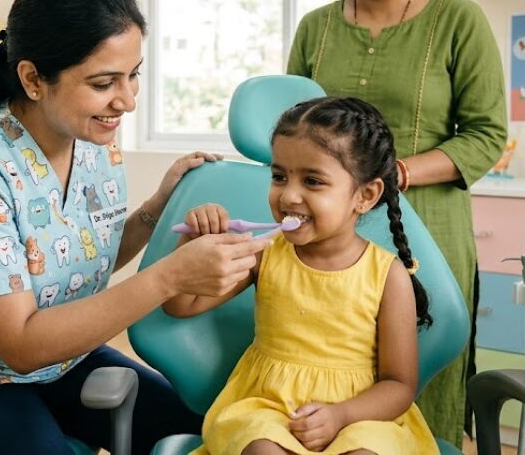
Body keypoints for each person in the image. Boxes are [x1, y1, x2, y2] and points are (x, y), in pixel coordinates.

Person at [0, 0, 272, 454]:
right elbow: (21, 345)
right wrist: (170, 277)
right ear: (33, 78)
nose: (126, 101)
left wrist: (156, 208)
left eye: (133, 75)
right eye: (104, 82)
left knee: (202, 434)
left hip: (62, 360)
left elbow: (80, 255)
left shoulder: (93, 143)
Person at [286, 0, 507, 447]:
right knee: (326, 371)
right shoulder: (315, 29)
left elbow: (485, 135)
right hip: (331, 231)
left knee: (420, 383)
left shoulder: (458, 20)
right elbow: (291, 128)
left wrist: (395, 174)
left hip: (427, 231)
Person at [165, 97, 438, 455]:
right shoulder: (263, 254)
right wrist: (193, 241)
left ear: (365, 195)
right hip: (270, 408)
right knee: (262, 449)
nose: (289, 196)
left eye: (312, 181)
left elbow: (399, 386)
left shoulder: (389, 276)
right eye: (279, 176)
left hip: (360, 416)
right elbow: (180, 305)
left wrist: (342, 415)